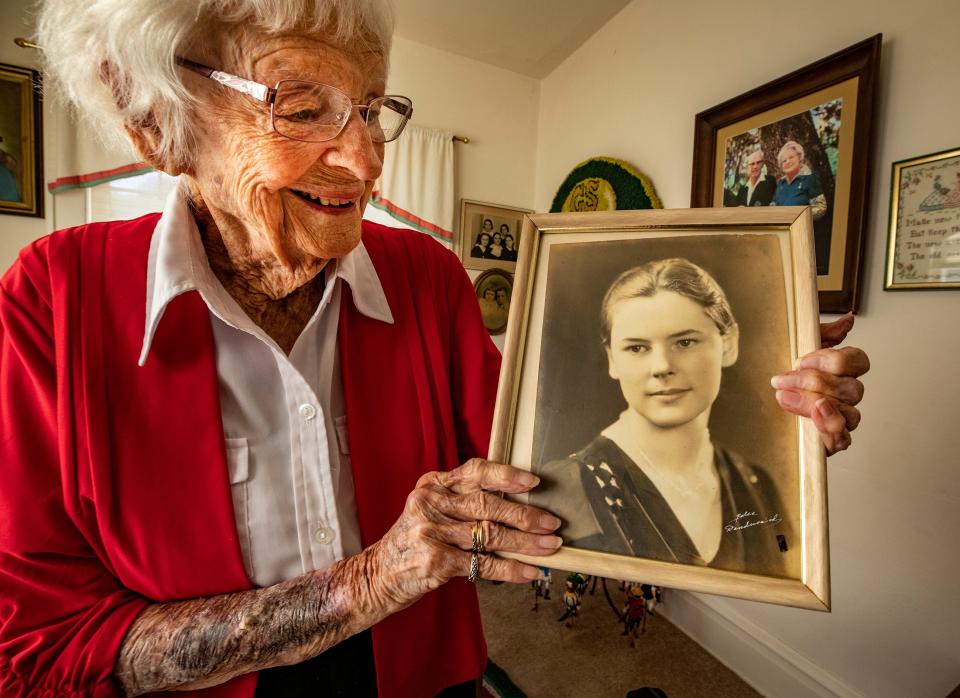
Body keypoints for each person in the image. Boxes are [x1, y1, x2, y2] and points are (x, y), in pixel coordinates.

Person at [0, 2, 867, 695]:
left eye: (374, 110)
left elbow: (546, 476)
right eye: (302, 108)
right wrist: (374, 580)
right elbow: (43, 646)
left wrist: (758, 409)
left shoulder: (427, 275)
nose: (366, 160)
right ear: (154, 119)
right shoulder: (52, 298)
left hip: (423, 677)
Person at [532, 258, 868, 577]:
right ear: (612, 360)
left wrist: (805, 453)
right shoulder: (566, 485)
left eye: (685, 342)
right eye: (637, 348)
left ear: (728, 344)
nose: (662, 366)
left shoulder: (755, 484)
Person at [772, 140, 828, 220]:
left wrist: (797, 216)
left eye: (791, 157)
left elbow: (820, 208)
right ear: (781, 166)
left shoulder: (810, 177)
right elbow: (773, 207)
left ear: (799, 158)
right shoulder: (781, 184)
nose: (788, 162)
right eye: (784, 161)